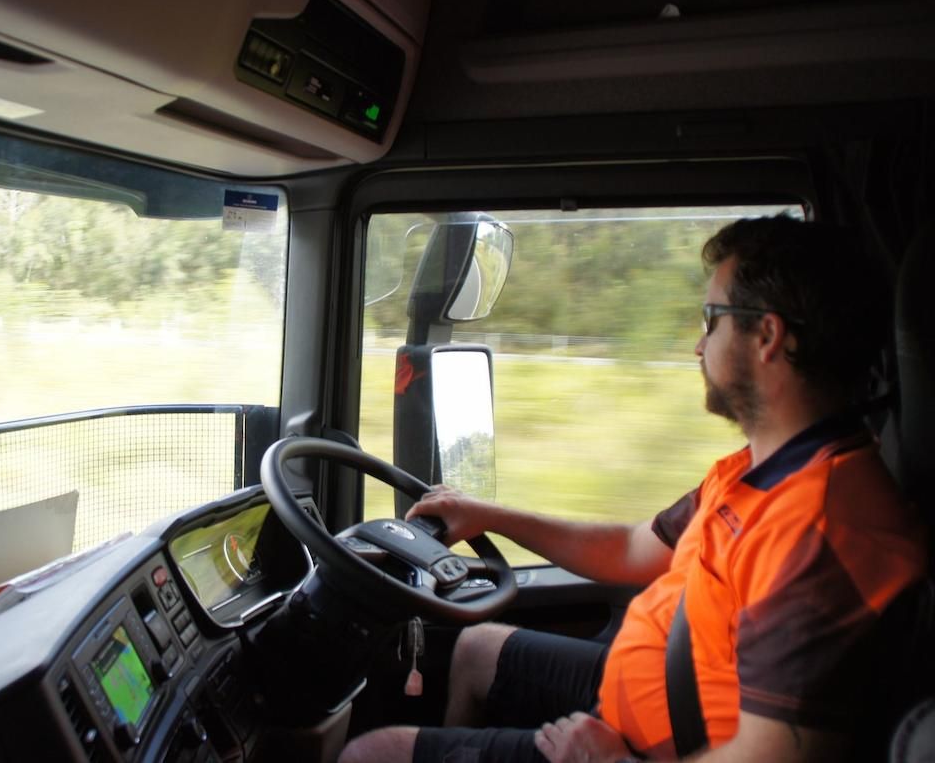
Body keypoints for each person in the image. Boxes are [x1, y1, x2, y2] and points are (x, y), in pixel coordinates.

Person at [340, 215, 928, 763]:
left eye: (711, 320)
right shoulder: (762, 469)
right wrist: (485, 515)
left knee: (371, 753)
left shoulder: (820, 529)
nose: (699, 346)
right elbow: (630, 548)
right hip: (642, 700)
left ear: (768, 336)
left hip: (650, 746)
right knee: (474, 648)